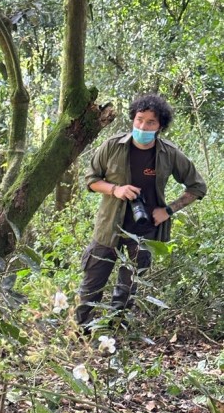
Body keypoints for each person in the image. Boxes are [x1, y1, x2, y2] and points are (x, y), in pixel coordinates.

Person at [76, 94, 207, 330]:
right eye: (139, 120)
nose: (142, 126)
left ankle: (115, 335)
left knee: (127, 291)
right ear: (132, 119)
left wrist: (168, 210)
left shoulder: (169, 153)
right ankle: (81, 334)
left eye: (150, 123)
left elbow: (197, 187)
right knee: (91, 286)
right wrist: (116, 189)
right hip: (108, 227)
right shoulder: (112, 146)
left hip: (144, 231)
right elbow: (91, 180)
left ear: (160, 127)